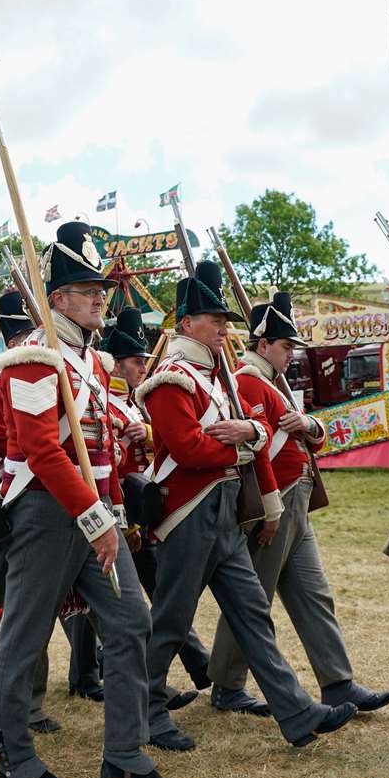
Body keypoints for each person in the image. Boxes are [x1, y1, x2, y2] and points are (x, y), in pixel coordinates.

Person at [0, 223, 186, 778]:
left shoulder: (92, 364)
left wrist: (128, 443)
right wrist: (96, 518)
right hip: (49, 513)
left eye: (100, 286)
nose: (100, 295)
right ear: (56, 299)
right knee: (23, 638)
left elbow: (96, 450)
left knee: (130, 624)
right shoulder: (30, 358)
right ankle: (15, 758)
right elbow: (42, 450)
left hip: (97, 512)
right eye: (84, 286)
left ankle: (124, 757)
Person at [138, 259, 357, 752]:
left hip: (225, 508)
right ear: (187, 324)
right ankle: (144, 707)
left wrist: (251, 434)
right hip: (187, 510)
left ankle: (297, 713)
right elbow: (190, 448)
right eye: (215, 321)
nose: (222, 330)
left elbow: (253, 432)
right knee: (172, 618)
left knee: (254, 614)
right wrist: (246, 442)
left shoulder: (215, 378)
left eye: (224, 321)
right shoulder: (171, 378)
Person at [207, 291, 389, 718]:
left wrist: (308, 422)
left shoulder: (276, 384)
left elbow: (316, 435)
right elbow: (257, 451)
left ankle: (338, 682)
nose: (291, 354)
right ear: (262, 346)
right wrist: (270, 506)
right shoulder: (247, 383)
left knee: (314, 595)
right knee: (252, 598)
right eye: (285, 346)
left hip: (299, 495)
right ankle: (227, 684)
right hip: (277, 500)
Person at [105, 306, 211, 706]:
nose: (140, 369)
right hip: (119, 514)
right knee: (135, 608)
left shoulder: (135, 404)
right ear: (116, 365)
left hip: (141, 510)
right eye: (135, 362)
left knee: (158, 600)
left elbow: (159, 446)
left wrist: (144, 431)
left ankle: (200, 666)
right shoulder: (105, 403)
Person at [0, 290, 60, 733]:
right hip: (20, 493)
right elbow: (3, 440)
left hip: (42, 492)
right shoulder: (4, 379)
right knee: (21, 605)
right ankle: (19, 701)